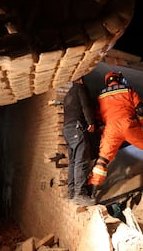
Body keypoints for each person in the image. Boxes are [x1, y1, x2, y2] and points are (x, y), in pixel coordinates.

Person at [87, 72, 143, 197]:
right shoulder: (129, 90)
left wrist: (103, 132)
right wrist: (140, 125)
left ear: (107, 81)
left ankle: (92, 190)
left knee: (102, 160)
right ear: (119, 79)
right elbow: (140, 109)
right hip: (129, 125)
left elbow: (98, 119)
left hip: (111, 129)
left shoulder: (100, 96)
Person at [62, 76, 96, 206]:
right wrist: (91, 123)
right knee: (80, 161)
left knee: (73, 161)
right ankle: (79, 194)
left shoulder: (68, 94)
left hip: (66, 130)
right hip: (76, 129)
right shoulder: (80, 89)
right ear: (80, 79)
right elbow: (85, 106)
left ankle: (71, 192)